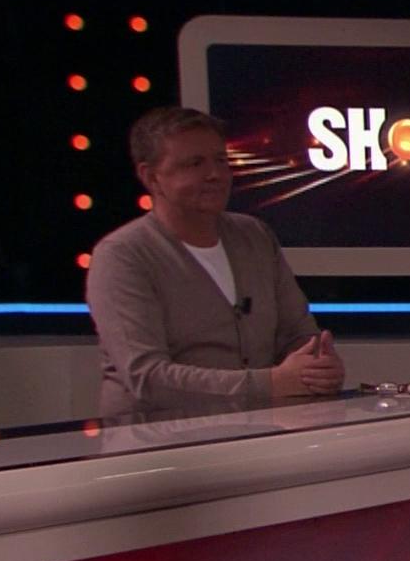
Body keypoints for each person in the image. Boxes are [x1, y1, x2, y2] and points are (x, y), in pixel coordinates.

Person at [86, 106, 344, 416]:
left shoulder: (254, 236)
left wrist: (317, 366)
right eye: (195, 164)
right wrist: (271, 384)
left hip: (264, 431)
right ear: (151, 177)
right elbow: (147, 378)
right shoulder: (122, 255)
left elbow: (298, 334)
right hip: (155, 437)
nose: (216, 175)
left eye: (221, 160)